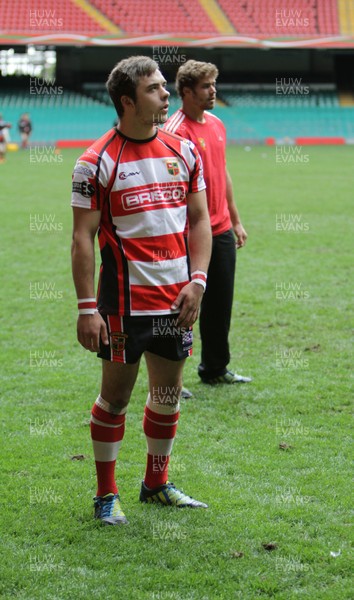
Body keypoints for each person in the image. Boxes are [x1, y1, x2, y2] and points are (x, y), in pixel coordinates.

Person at [71, 56, 212, 525]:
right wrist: (86, 308)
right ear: (127, 101)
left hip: (177, 301)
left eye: (163, 86)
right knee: (115, 399)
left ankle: (155, 483)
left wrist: (198, 281)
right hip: (123, 306)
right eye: (154, 89)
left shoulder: (183, 151)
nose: (166, 93)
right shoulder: (95, 163)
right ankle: (106, 495)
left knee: (168, 394)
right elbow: (82, 238)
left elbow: (198, 220)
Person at [164, 60, 251, 387]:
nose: (213, 91)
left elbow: (222, 172)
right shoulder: (174, 131)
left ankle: (215, 368)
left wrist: (236, 220)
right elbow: (169, 191)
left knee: (219, 305)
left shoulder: (216, 123)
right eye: (205, 86)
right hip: (187, 236)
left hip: (221, 230)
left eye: (214, 84)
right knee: (181, 306)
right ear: (186, 92)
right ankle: (173, 378)